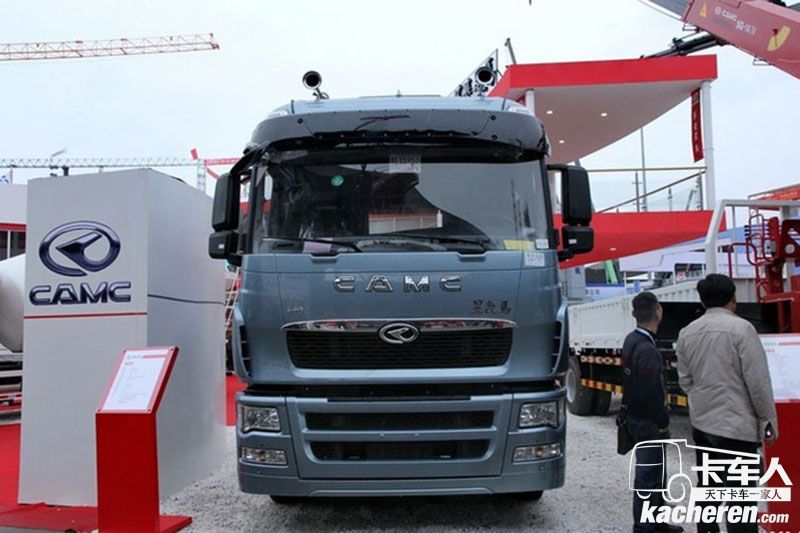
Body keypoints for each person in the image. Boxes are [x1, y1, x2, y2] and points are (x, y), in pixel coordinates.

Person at [676, 274, 778, 533]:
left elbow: (685, 380)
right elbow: (758, 381)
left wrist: (702, 402)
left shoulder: (687, 333)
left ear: (702, 301)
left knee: (709, 488)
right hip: (737, 427)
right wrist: (767, 419)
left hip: (703, 426)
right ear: (733, 298)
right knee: (740, 496)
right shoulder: (742, 330)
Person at [621, 291, 682, 533]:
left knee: (656, 474)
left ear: (634, 314)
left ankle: (656, 523)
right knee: (649, 477)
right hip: (648, 422)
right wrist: (663, 420)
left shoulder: (631, 340)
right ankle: (644, 527)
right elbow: (650, 391)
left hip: (635, 418)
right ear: (659, 312)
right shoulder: (647, 348)